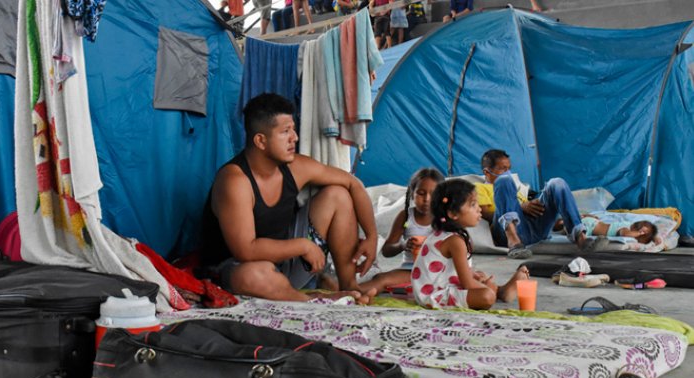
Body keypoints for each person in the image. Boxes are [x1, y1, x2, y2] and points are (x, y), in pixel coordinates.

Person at [201, 93, 378, 303]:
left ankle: (350, 288)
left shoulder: (296, 167)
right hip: (238, 269)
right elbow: (246, 250)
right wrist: (303, 246)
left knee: (338, 194)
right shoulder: (235, 180)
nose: (294, 137)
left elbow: (353, 183)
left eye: (293, 129)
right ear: (260, 141)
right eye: (285, 131)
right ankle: (315, 300)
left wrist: (371, 236)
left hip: (285, 264)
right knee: (254, 273)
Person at [411, 179, 529, 310]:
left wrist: (476, 276)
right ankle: (498, 292)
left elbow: (457, 272)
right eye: (473, 205)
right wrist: (486, 287)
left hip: (441, 285)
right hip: (432, 296)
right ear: (453, 213)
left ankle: (499, 290)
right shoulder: (455, 241)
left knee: (478, 275)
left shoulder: (452, 235)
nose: (479, 209)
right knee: (486, 296)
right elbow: (467, 283)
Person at [476, 149, 607, 259]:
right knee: (503, 181)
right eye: (502, 169)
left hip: (533, 228)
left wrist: (568, 218)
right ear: (487, 172)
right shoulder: (480, 188)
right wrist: (521, 208)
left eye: (509, 169)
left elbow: (533, 210)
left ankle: (580, 238)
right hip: (506, 232)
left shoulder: (516, 190)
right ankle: (514, 242)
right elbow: (484, 214)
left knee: (557, 183)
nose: (508, 173)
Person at [360, 168, 444, 293]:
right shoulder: (405, 217)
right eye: (421, 193)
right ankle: (349, 293)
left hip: (439, 273)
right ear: (412, 193)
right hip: (410, 271)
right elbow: (387, 251)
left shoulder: (446, 219)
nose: (427, 199)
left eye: (433, 194)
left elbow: (461, 247)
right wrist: (403, 245)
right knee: (380, 279)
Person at [581, 217, 659, 244]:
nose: (636, 239)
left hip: (593, 224)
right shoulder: (625, 228)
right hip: (590, 226)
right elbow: (625, 234)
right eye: (638, 238)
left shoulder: (628, 225)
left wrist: (654, 237)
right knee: (576, 232)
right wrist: (639, 233)